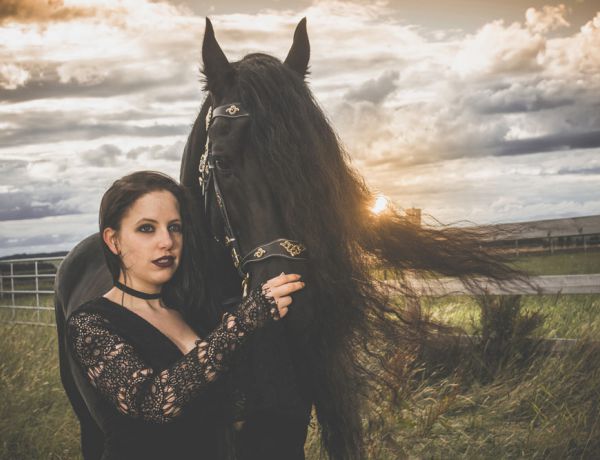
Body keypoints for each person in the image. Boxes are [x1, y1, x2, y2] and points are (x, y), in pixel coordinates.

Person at [65, 171, 305, 459]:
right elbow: (153, 404)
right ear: (113, 240)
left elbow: (232, 406)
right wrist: (245, 320)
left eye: (175, 227)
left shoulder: (191, 311)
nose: (167, 241)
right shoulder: (90, 324)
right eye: (146, 229)